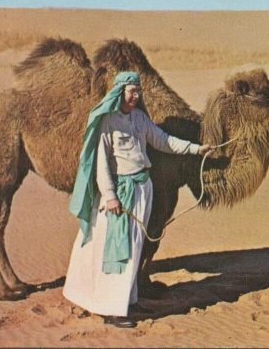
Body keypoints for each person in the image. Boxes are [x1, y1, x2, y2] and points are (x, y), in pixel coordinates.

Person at [63, 71, 213, 328]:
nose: (136, 96)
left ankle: (126, 300)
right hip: (121, 192)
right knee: (118, 250)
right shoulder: (107, 123)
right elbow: (101, 164)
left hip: (143, 188)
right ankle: (112, 310)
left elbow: (163, 141)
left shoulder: (140, 119)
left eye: (137, 91)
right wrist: (110, 197)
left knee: (133, 247)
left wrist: (195, 149)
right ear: (119, 91)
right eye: (132, 91)